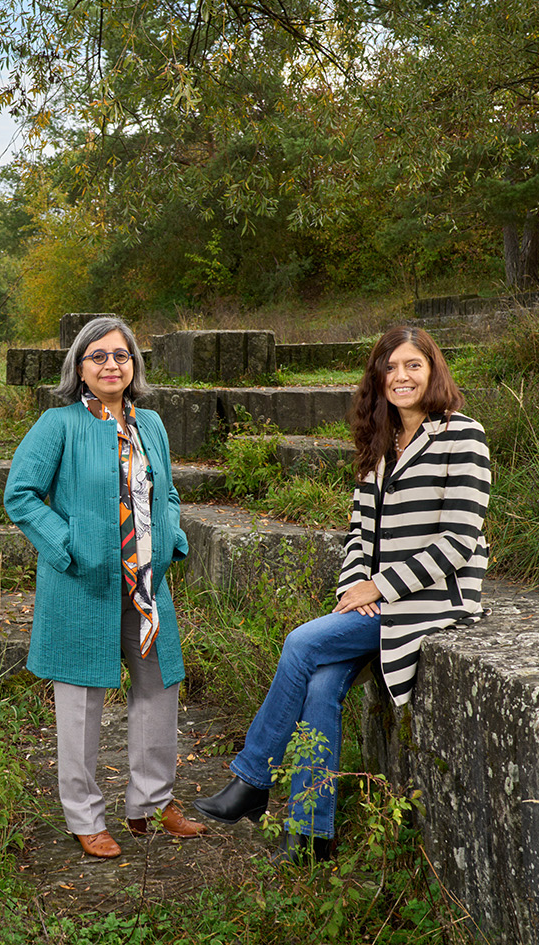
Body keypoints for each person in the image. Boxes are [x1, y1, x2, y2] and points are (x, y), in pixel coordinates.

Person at [193, 325, 490, 862]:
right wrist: (355, 585)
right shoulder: (379, 443)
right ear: (377, 378)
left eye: (412, 366)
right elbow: (359, 534)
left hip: (431, 602)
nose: (401, 376)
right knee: (321, 687)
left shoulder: (462, 435)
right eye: (390, 367)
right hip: (377, 602)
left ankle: (253, 779)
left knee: (302, 645)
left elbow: (460, 538)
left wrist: (381, 586)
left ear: (433, 371)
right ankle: (311, 834)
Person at [4, 316, 206, 859]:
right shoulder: (59, 425)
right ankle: (84, 817)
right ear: (79, 368)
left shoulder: (153, 425)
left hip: (147, 585)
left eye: (120, 355)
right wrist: (69, 546)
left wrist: (170, 537)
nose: (111, 365)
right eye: (98, 356)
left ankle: (150, 803)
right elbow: (20, 494)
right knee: (81, 702)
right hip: (82, 588)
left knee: (159, 689)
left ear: (134, 364)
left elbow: (167, 492)